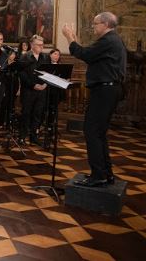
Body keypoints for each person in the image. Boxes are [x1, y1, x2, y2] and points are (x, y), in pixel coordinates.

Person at [62, 12, 126, 187]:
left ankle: (98, 175)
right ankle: (106, 173)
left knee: (92, 132)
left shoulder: (108, 40)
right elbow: (88, 53)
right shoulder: (113, 40)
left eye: (95, 23)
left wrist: (69, 38)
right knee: (99, 133)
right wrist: (74, 39)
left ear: (105, 24)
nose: (93, 27)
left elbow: (84, 54)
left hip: (105, 90)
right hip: (109, 89)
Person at [18, 35, 50, 145]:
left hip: (42, 90)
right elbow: (22, 74)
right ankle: (22, 136)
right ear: (32, 45)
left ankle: (33, 137)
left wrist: (45, 84)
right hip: (28, 90)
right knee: (26, 113)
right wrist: (33, 85)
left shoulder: (45, 57)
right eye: (39, 45)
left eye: (42, 45)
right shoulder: (25, 57)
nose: (41, 47)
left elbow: (49, 72)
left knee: (37, 114)